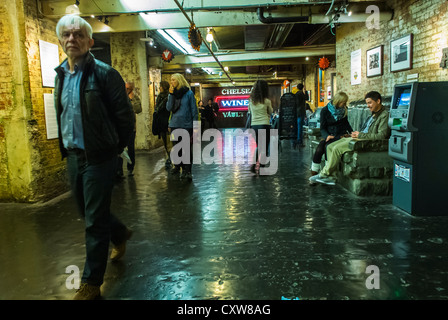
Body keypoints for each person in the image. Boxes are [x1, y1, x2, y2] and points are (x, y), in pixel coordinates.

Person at [54, 15, 134, 300]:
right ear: (61, 40)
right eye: (67, 34)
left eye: (78, 35)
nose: (72, 39)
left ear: (89, 41)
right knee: (87, 212)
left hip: (100, 157)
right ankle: (120, 232)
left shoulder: (104, 74)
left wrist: (115, 148)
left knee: (93, 221)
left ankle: (91, 283)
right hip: (75, 156)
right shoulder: (60, 74)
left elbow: (124, 118)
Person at [309, 91, 390, 186]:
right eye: (367, 103)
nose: (368, 106)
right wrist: (354, 134)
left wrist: (357, 135)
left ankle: (324, 174)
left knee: (335, 149)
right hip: (354, 136)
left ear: (378, 101)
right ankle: (332, 177)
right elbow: (323, 127)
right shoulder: (373, 114)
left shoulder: (384, 115)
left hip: (363, 139)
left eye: (370, 103)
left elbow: (381, 136)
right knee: (330, 146)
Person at [310, 92, 353, 176]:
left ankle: (327, 173)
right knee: (320, 148)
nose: (344, 104)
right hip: (329, 135)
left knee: (327, 147)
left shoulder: (344, 109)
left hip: (341, 135)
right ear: (337, 101)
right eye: (343, 102)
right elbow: (322, 128)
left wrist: (352, 132)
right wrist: (327, 136)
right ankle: (314, 172)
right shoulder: (325, 110)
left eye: (345, 102)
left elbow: (346, 123)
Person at [166, 73, 198, 181]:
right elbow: (169, 108)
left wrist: (195, 127)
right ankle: (178, 166)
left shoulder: (188, 93)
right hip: (174, 124)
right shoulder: (172, 94)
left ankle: (187, 170)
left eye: (174, 80)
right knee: (176, 148)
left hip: (186, 125)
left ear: (179, 80)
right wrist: (171, 95)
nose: (172, 82)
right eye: (171, 80)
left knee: (186, 149)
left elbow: (194, 110)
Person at [117, 81, 142, 178]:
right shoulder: (120, 96)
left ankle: (130, 168)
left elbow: (138, 109)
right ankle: (119, 170)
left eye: (128, 88)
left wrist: (132, 99)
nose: (126, 90)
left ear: (131, 89)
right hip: (120, 127)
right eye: (125, 88)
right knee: (119, 149)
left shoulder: (134, 98)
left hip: (131, 127)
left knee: (131, 148)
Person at [248, 80, 273, 174]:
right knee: (265, 146)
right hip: (264, 125)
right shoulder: (266, 101)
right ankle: (260, 166)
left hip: (254, 126)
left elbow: (249, 112)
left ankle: (254, 164)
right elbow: (270, 112)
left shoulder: (251, 101)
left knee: (259, 145)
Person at [153, 81, 172, 168]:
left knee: (169, 141)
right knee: (164, 140)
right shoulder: (160, 97)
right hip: (161, 121)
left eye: (160, 86)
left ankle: (171, 157)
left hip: (166, 121)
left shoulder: (169, 96)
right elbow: (157, 108)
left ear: (164, 87)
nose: (159, 88)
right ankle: (168, 156)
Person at [294, 83, 309, 148]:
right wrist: (305, 91)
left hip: (296, 112)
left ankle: (296, 140)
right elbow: (307, 98)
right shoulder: (300, 93)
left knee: (297, 126)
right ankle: (299, 141)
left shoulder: (295, 94)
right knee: (300, 127)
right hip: (300, 112)